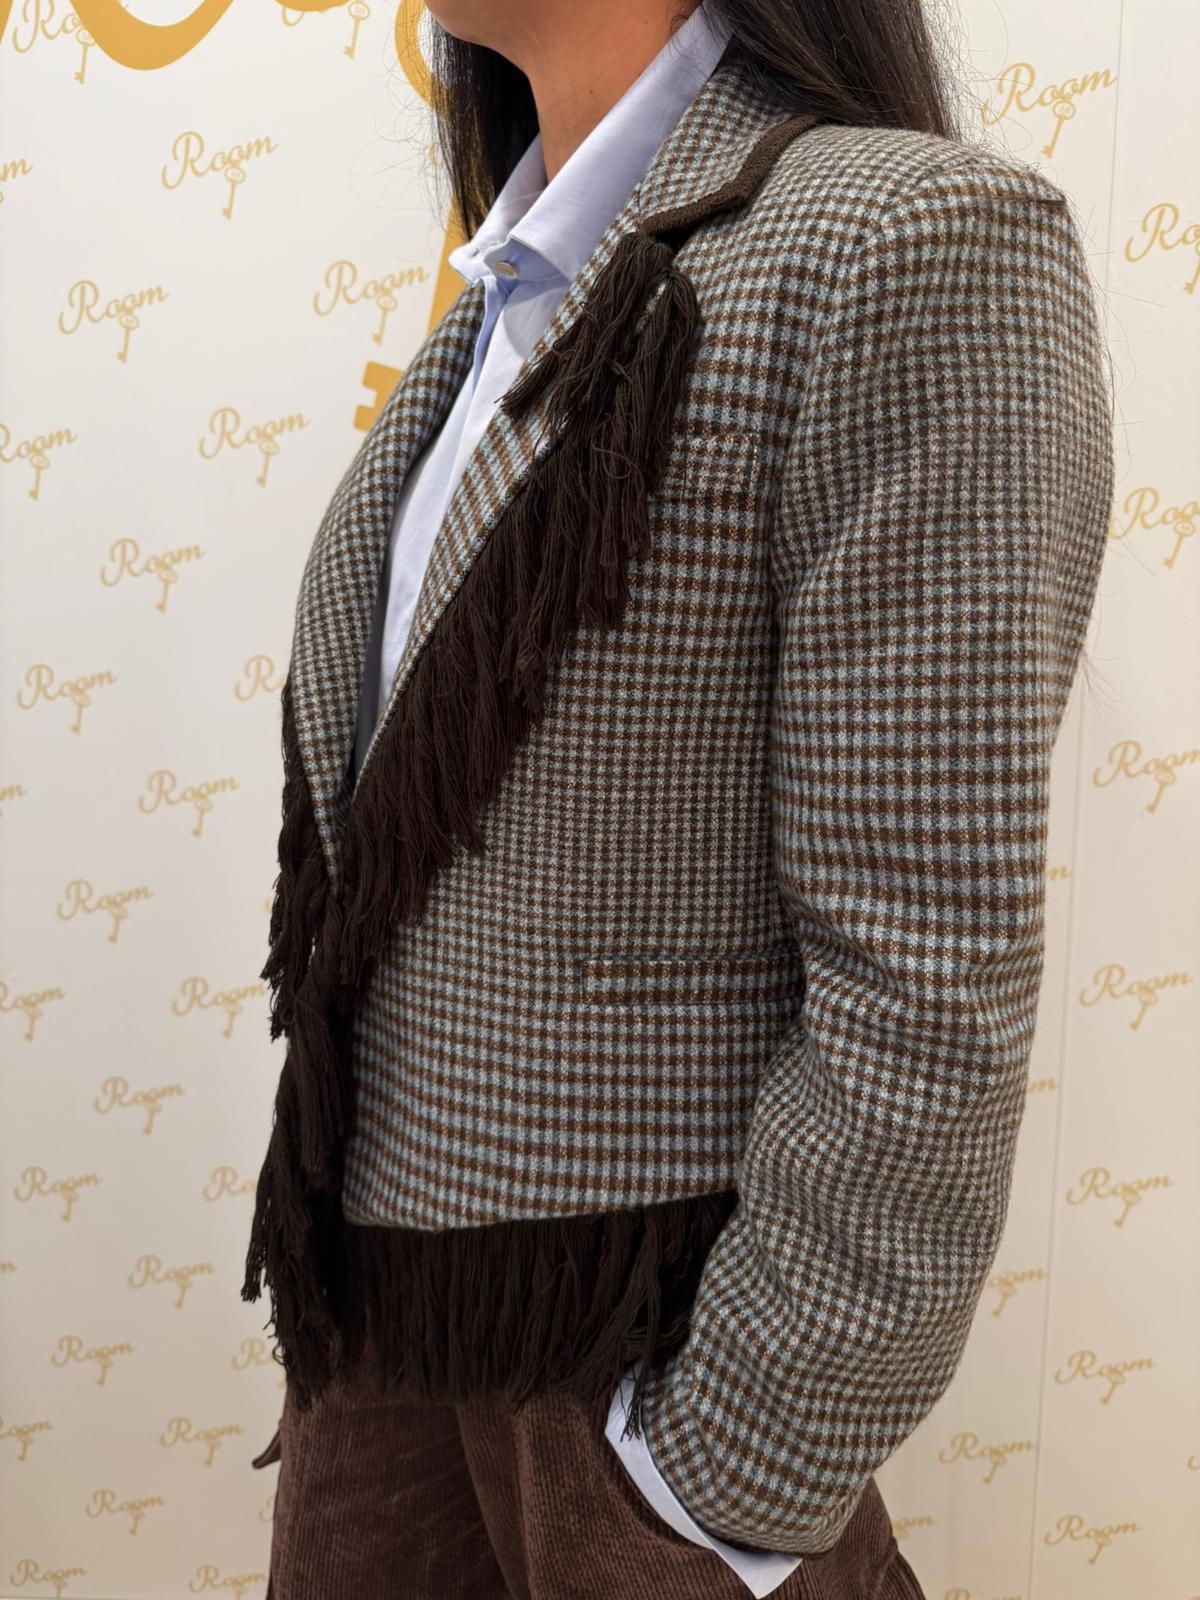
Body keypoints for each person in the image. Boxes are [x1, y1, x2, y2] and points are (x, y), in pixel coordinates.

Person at [243, 1, 1115, 1595]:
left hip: (633, 1379)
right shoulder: (513, 292)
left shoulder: (906, 240)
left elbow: (928, 959)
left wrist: (719, 1478)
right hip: (382, 1349)